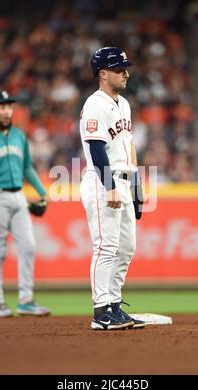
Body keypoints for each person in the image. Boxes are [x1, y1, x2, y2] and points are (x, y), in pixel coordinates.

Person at [79, 47, 145, 330]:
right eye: (120, 69)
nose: (126, 73)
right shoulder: (95, 104)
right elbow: (96, 149)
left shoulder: (124, 104)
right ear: (103, 74)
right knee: (106, 247)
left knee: (126, 248)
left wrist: (136, 184)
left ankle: (115, 307)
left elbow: (127, 145)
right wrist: (110, 187)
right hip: (102, 181)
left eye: (125, 68)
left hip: (123, 179)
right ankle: (100, 311)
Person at [0, 91, 50, 317]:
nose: (7, 111)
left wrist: (43, 192)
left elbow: (27, 168)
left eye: (9, 107)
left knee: (29, 246)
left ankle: (25, 300)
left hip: (18, 196)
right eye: (2, 107)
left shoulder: (18, 135)